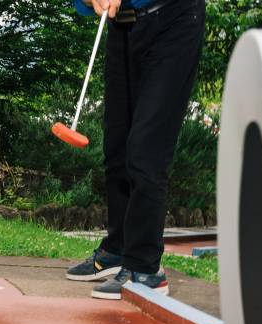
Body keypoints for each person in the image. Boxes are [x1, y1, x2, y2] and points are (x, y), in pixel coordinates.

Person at [67, 0, 205, 299]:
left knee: (146, 149)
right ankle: (118, 249)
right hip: (123, 28)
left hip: (173, 21)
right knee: (116, 148)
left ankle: (145, 267)